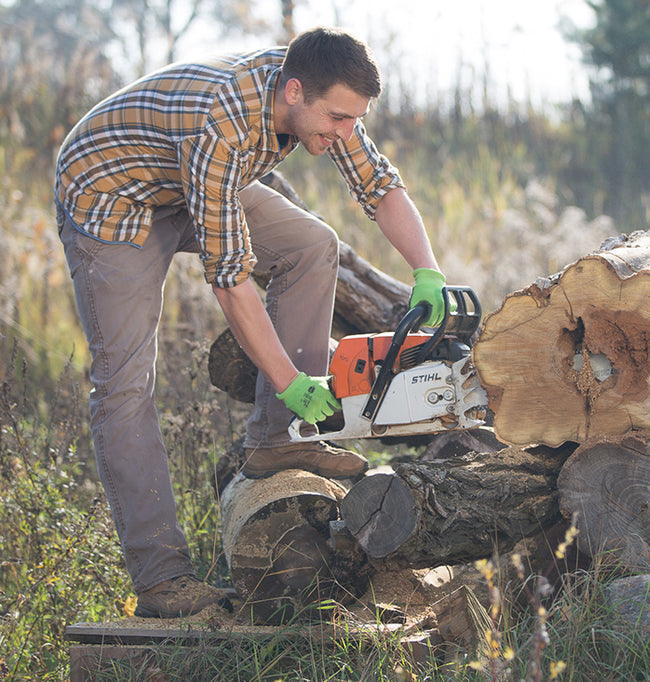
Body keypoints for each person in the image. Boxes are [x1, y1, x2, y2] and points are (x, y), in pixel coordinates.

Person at [54, 27, 449, 618]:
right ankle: (162, 578)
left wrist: (428, 272)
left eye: (354, 119)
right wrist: (290, 377)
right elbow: (230, 280)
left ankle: (276, 440)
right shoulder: (224, 127)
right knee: (123, 387)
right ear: (294, 92)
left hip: (191, 180)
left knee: (313, 245)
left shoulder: (314, 90)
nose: (347, 131)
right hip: (112, 198)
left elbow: (378, 184)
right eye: (339, 118)